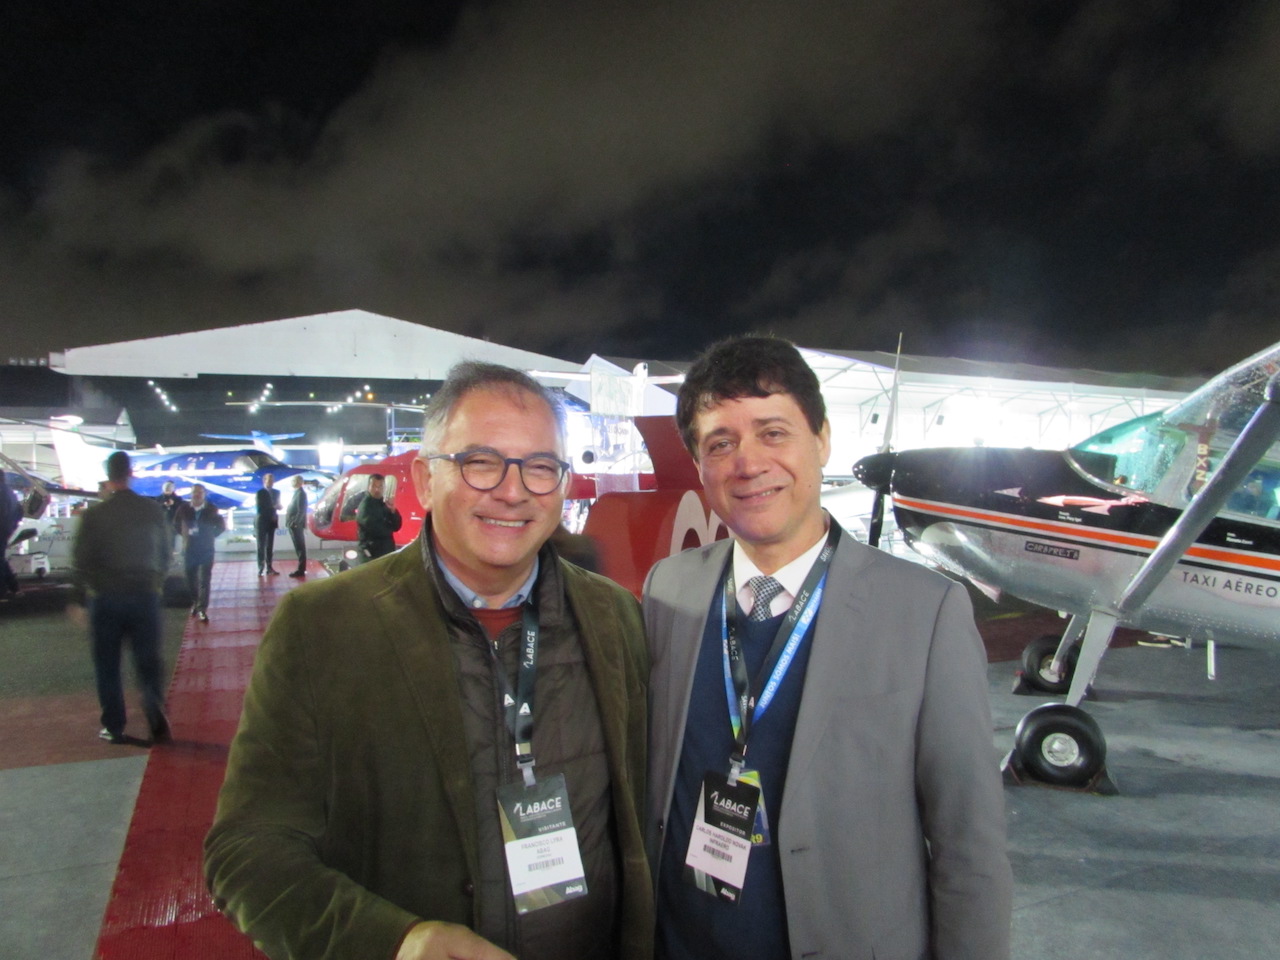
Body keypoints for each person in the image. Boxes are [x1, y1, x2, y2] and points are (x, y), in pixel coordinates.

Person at [205, 361, 653, 960]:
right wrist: (395, 942)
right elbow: (247, 846)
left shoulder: (613, 617)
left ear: (564, 484)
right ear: (424, 478)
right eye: (480, 462)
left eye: (541, 467)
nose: (513, 490)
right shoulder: (323, 629)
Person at [644, 336, 1012, 960]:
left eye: (773, 432)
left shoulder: (925, 613)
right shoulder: (668, 589)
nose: (748, 463)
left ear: (822, 439)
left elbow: (968, 845)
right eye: (720, 443)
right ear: (700, 467)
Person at [71, 451, 172, 745]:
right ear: (131, 473)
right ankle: (153, 706)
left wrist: (77, 598)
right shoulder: (151, 510)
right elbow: (165, 553)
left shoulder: (94, 515)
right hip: (144, 595)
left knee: (108, 665)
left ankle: (114, 725)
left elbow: (81, 561)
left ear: (107, 475)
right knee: (149, 661)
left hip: (107, 598)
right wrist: (157, 582)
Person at [176, 483, 225, 623]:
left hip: (206, 549)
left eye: (199, 492)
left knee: (204, 579)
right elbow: (176, 524)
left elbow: (221, 526)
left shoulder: (211, 508)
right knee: (190, 578)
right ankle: (195, 602)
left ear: (204, 494)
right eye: (194, 492)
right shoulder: (183, 508)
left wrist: (210, 535)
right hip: (189, 549)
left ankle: (202, 608)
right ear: (191, 494)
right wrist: (186, 535)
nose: (196, 494)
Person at [355, 472, 402, 560]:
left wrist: (393, 511)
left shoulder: (384, 504)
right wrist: (389, 526)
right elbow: (377, 529)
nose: (377, 490)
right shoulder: (365, 506)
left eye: (380, 486)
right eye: (374, 486)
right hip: (371, 555)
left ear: (384, 488)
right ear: (368, 487)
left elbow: (397, 526)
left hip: (385, 553)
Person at [0, 470, 21, 596]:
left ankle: (2, 590)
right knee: (1, 559)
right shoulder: (9, 492)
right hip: (5, 530)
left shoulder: (2, 492)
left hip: (1, 529)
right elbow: (19, 511)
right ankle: (13, 586)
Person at [255, 474, 280, 575]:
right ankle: (260, 567)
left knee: (270, 546)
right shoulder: (260, 492)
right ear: (264, 481)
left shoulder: (277, 492)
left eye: (272, 480)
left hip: (272, 521)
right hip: (261, 521)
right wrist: (274, 507)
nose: (271, 482)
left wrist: (277, 507)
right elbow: (260, 507)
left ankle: (269, 567)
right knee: (261, 545)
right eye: (269, 480)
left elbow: (277, 504)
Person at [284, 474, 309, 577]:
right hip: (294, 524)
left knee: (300, 547)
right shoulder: (297, 493)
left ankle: (301, 569)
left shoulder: (301, 494)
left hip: (296, 525)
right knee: (298, 547)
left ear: (298, 482)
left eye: (293, 481)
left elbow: (301, 510)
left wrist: (295, 523)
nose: (292, 483)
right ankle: (301, 568)